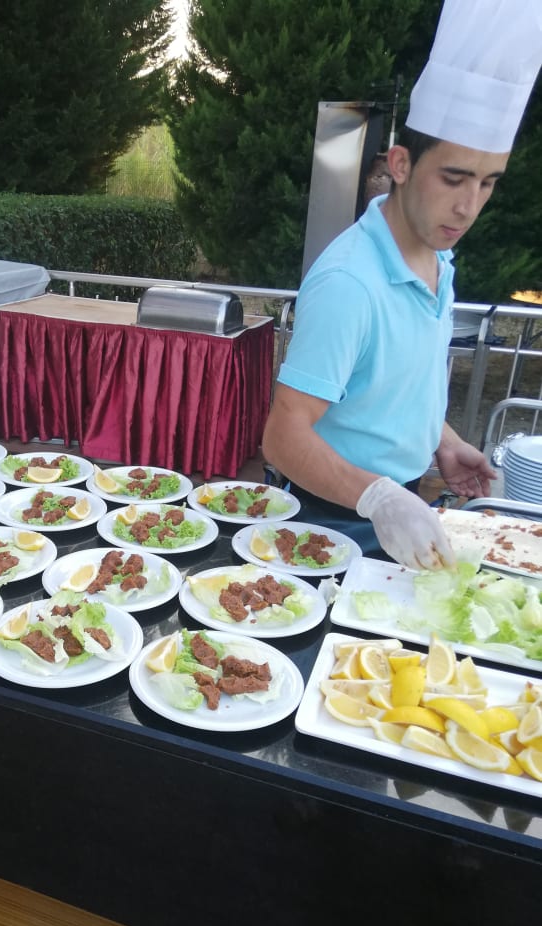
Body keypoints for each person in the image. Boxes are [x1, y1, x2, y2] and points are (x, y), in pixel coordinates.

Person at [262, 0, 542, 570]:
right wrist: (380, 497)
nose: (469, 206)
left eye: (488, 182)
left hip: (405, 505)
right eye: (454, 178)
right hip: (332, 522)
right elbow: (284, 436)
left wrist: (442, 440)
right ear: (401, 164)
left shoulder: (439, 260)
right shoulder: (350, 282)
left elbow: (393, 384)